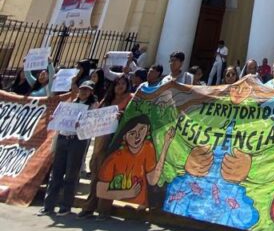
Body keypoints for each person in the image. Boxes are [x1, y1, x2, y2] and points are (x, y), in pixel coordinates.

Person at [40, 80, 98, 215]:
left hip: (77, 141)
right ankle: (48, 206)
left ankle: (65, 207)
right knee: (56, 174)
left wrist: (82, 123)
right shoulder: (70, 104)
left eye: (87, 90)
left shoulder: (92, 106)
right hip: (63, 138)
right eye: (82, 89)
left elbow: (92, 124)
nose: (84, 92)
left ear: (91, 92)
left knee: (71, 175)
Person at [81, 74, 133, 217]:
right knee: (96, 174)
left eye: (123, 84)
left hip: (115, 140)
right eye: (117, 84)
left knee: (108, 175)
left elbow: (132, 117)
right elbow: (96, 115)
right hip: (100, 139)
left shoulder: (131, 99)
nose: (120, 86)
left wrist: (122, 116)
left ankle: (103, 210)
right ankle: (89, 207)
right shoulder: (107, 100)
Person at [97, 115, 174, 209]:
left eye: (142, 129)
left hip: (139, 207)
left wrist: (166, 145)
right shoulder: (114, 158)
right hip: (118, 205)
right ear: (124, 136)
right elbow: (100, 190)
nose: (138, 136)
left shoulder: (148, 147)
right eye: (132, 133)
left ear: (148, 129)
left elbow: (152, 180)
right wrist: (127, 193)